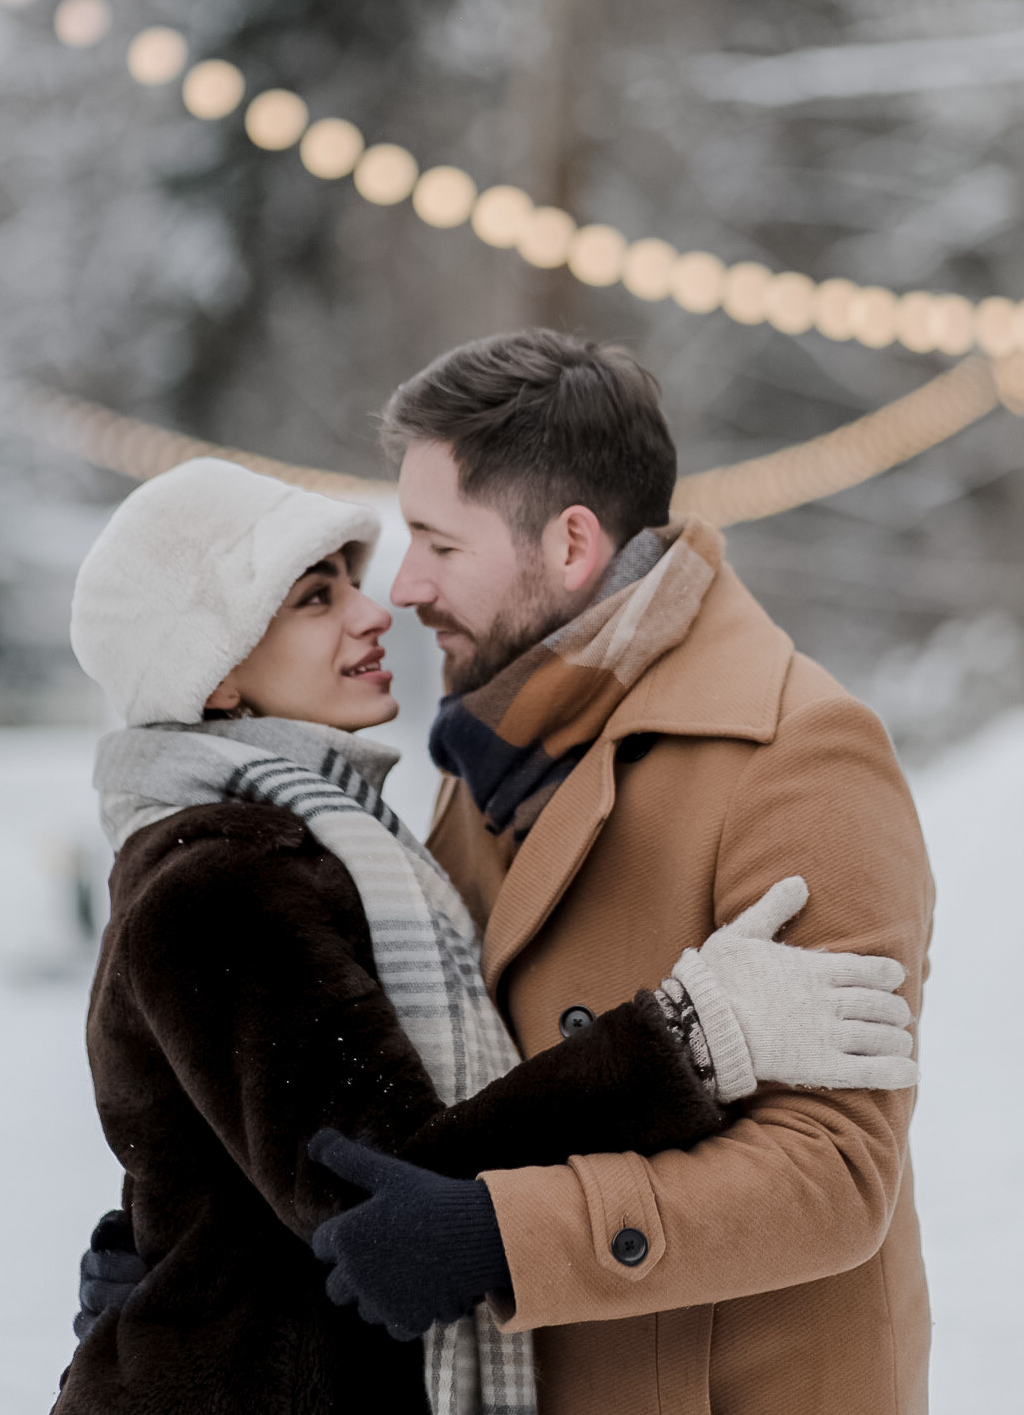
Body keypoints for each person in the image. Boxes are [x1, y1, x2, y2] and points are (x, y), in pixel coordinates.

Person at [58, 450, 916, 1415]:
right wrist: (687, 1039)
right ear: (214, 678)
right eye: (313, 598)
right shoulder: (223, 881)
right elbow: (377, 1195)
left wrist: (182, 1232)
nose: (376, 609)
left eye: (353, 579)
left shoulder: (333, 841)